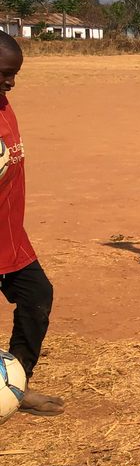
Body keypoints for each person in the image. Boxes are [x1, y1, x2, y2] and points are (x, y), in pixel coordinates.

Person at [0, 32, 64, 416]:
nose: (11, 83)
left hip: (10, 236)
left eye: (14, 74)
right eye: (4, 74)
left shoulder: (2, 104)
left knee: (37, 295)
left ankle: (16, 385)